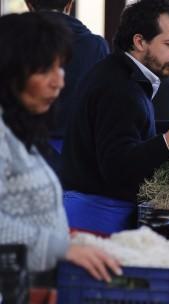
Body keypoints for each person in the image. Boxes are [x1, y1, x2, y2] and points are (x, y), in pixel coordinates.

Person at [0, 12, 120, 282]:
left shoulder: (19, 133)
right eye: (45, 70)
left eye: (61, 67)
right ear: (8, 71)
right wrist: (60, 248)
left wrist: (65, 237)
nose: (59, 82)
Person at [61, 0, 169, 235]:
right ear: (140, 41)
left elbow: (130, 128)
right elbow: (117, 167)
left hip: (96, 208)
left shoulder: (118, 72)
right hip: (95, 216)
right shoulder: (120, 88)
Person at [24, 0, 109, 176]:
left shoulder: (13, 42)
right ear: (69, 4)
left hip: (23, 147)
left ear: (28, 4)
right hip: (78, 158)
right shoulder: (95, 46)